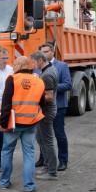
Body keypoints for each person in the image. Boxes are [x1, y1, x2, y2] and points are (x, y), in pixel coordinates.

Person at [0, 56, 45, 192]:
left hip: (13, 124)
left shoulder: (12, 79)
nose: (12, 67)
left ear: (19, 65)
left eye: (14, 65)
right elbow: (41, 102)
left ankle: (4, 182)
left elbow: (6, 103)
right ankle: (29, 186)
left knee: (7, 151)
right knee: (29, 154)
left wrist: (2, 123)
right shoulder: (39, 81)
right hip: (31, 123)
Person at [35, 43, 72, 171]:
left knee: (59, 134)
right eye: (42, 52)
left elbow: (67, 85)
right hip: (41, 107)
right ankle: (43, 158)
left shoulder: (62, 66)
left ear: (53, 52)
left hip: (58, 106)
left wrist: (51, 89)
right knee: (42, 135)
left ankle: (62, 160)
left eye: (46, 51)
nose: (43, 54)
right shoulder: (37, 68)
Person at [30, 51, 59, 180]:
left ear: (40, 60)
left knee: (47, 142)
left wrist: (33, 94)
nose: (33, 64)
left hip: (46, 112)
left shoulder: (47, 74)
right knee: (41, 139)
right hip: (46, 111)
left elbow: (49, 97)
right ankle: (48, 168)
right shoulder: (50, 69)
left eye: (34, 62)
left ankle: (52, 172)